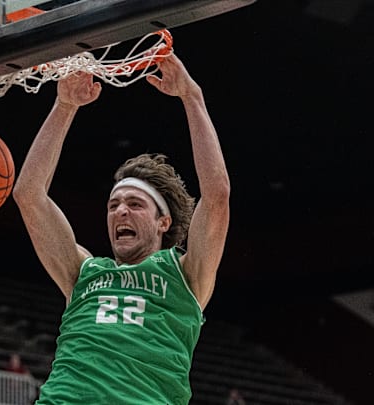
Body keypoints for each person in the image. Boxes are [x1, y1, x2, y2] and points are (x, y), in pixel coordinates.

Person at [12, 52, 230, 404]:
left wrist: (192, 97)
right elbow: (28, 195)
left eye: (135, 204)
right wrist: (65, 106)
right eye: (113, 205)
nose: (120, 212)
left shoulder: (187, 274)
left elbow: (217, 196)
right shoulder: (82, 271)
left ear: (164, 222)